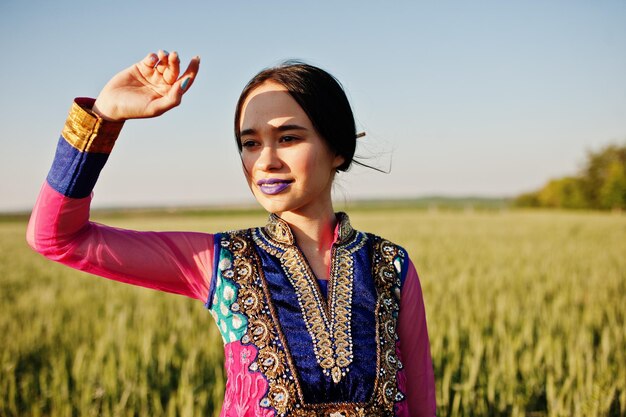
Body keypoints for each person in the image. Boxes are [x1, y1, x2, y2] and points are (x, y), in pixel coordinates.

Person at [27, 50, 436, 417]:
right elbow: (56, 237)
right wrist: (105, 116)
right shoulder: (220, 261)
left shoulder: (389, 265)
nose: (266, 161)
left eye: (288, 138)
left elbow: (422, 408)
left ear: (338, 148)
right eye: (250, 143)